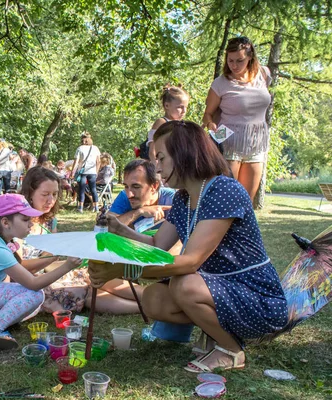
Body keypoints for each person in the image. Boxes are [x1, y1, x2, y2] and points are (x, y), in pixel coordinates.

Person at [88, 121, 287, 373]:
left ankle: (231, 350)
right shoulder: (184, 198)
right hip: (221, 291)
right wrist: (120, 229)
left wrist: (122, 270)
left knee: (184, 283)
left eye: (161, 158)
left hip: (258, 299)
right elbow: (156, 245)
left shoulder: (224, 190)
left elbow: (190, 261)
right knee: (154, 299)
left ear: (185, 153)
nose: (157, 168)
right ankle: (215, 335)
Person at [0, 193, 82, 349]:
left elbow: (16, 275)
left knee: (29, 305)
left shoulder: (1, 241)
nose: (31, 224)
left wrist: (53, 258)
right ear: (5, 222)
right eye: (25, 220)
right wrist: (67, 266)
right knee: (36, 295)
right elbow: (33, 284)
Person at [18, 166, 146, 315]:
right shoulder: (17, 222)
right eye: (45, 194)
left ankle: (154, 298)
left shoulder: (49, 220)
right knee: (85, 290)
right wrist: (56, 257)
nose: (51, 200)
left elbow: (49, 258)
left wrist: (61, 255)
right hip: (27, 285)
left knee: (92, 274)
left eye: (54, 194)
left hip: (48, 274)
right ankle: (148, 308)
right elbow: (19, 268)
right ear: (29, 194)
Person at [202, 36, 272, 203]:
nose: (234, 65)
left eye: (239, 60)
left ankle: (242, 230)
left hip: (256, 141)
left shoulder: (263, 74)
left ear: (250, 57)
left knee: (246, 200)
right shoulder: (221, 83)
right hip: (228, 140)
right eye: (230, 60)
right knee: (228, 198)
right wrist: (211, 125)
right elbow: (208, 114)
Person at [108, 159, 175, 234]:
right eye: (126, 186)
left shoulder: (172, 199)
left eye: (136, 186)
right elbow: (106, 227)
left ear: (154, 186)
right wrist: (139, 212)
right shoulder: (124, 196)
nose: (129, 195)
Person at [145, 85, 189, 162]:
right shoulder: (161, 122)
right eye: (180, 107)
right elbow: (152, 152)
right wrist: (158, 170)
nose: (184, 111)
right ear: (167, 105)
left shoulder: (181, 125)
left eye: (186, 107)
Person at [72, 132, 101, 213]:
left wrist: (72, 172)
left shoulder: (80, 148)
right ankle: (96, 207)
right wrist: (96, 172)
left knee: (81, 189)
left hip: (82, 172)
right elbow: (98, 161)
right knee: (93, 189)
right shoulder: (95, 148)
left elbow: (76, 161)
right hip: (92, 172)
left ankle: (80, 207)